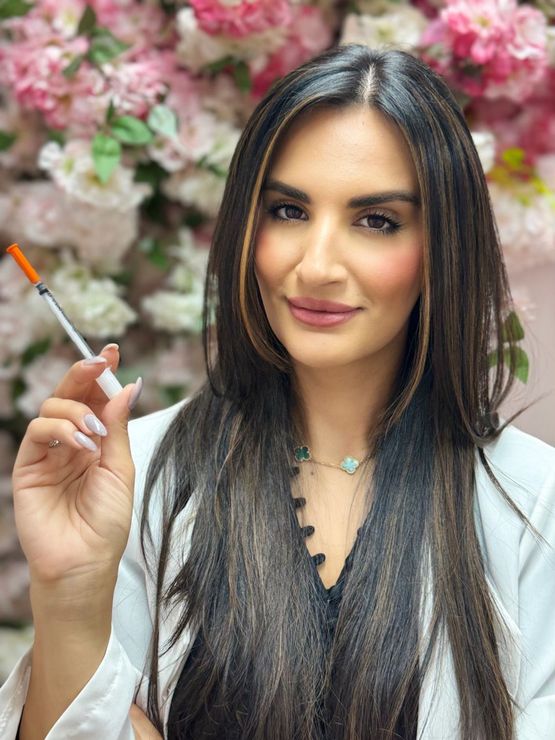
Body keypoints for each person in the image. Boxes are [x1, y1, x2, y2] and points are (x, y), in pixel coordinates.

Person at [1, 43, 554, 740]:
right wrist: (69, 594)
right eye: (288, 211)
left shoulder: (533, 509)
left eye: (375, 220)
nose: (315, 265)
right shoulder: (134, 477)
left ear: (441, 246)